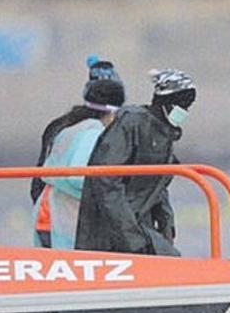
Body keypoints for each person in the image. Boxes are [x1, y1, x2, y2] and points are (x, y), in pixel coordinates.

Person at [75, 68, 196, 256]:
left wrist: (166, 226)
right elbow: (106, 179)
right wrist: (131, 238)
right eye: (182, 104)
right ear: (167, 102)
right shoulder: (132, 123)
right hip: (112, 232)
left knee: (171, 259)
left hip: (139, 226)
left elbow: (158, 187)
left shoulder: (164, 134)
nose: (185, 111)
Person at [32, 56, 122, 247]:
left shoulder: (68, 126)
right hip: (63, 219)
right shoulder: (92, 132)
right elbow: (77, 177)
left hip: (50, 213)